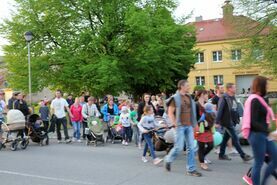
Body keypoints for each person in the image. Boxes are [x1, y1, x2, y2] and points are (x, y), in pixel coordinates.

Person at [242, 76, 277, 185]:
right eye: (266, 84)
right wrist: (269, 132)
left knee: (275, 158)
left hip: (263, 134)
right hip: (257, 135)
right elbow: (254, 122)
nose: (268, 86)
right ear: (261, 86)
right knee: (258, 163)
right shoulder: (255, 100)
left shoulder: (259, 99)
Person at [164, 80, 202, 177]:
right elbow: (170, 112)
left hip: (189, 126)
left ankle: (191, 169)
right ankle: (168, 159)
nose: (189, 87)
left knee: (191, 148)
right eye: (187, 86)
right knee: (179, 147)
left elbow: (192, 112)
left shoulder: (189, 97)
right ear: (181, 86)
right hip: (180, 126)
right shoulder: (175, 98)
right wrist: (174, 123)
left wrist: (195, 124)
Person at [216, 83, 252, 161]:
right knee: (235, 138)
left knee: (225, 138)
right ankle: (243, 155)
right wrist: (217, 121)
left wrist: (237, 118)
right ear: (229, 89)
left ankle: (221, 154)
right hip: (227, 121)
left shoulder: (233, 97)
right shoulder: (224, 98)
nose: (236, 89)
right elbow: (220, 110)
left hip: (232, 121)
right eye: (234, 88)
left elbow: (234, 109)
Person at [197, 103, 215, 171]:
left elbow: (200, 121)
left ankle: (201, 157)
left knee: (210, 146)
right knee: (202, 147)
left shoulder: (212, 114)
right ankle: (202, 162)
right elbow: (200, 121)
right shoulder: (204, 114)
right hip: (202, 132)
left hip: (208, 132)